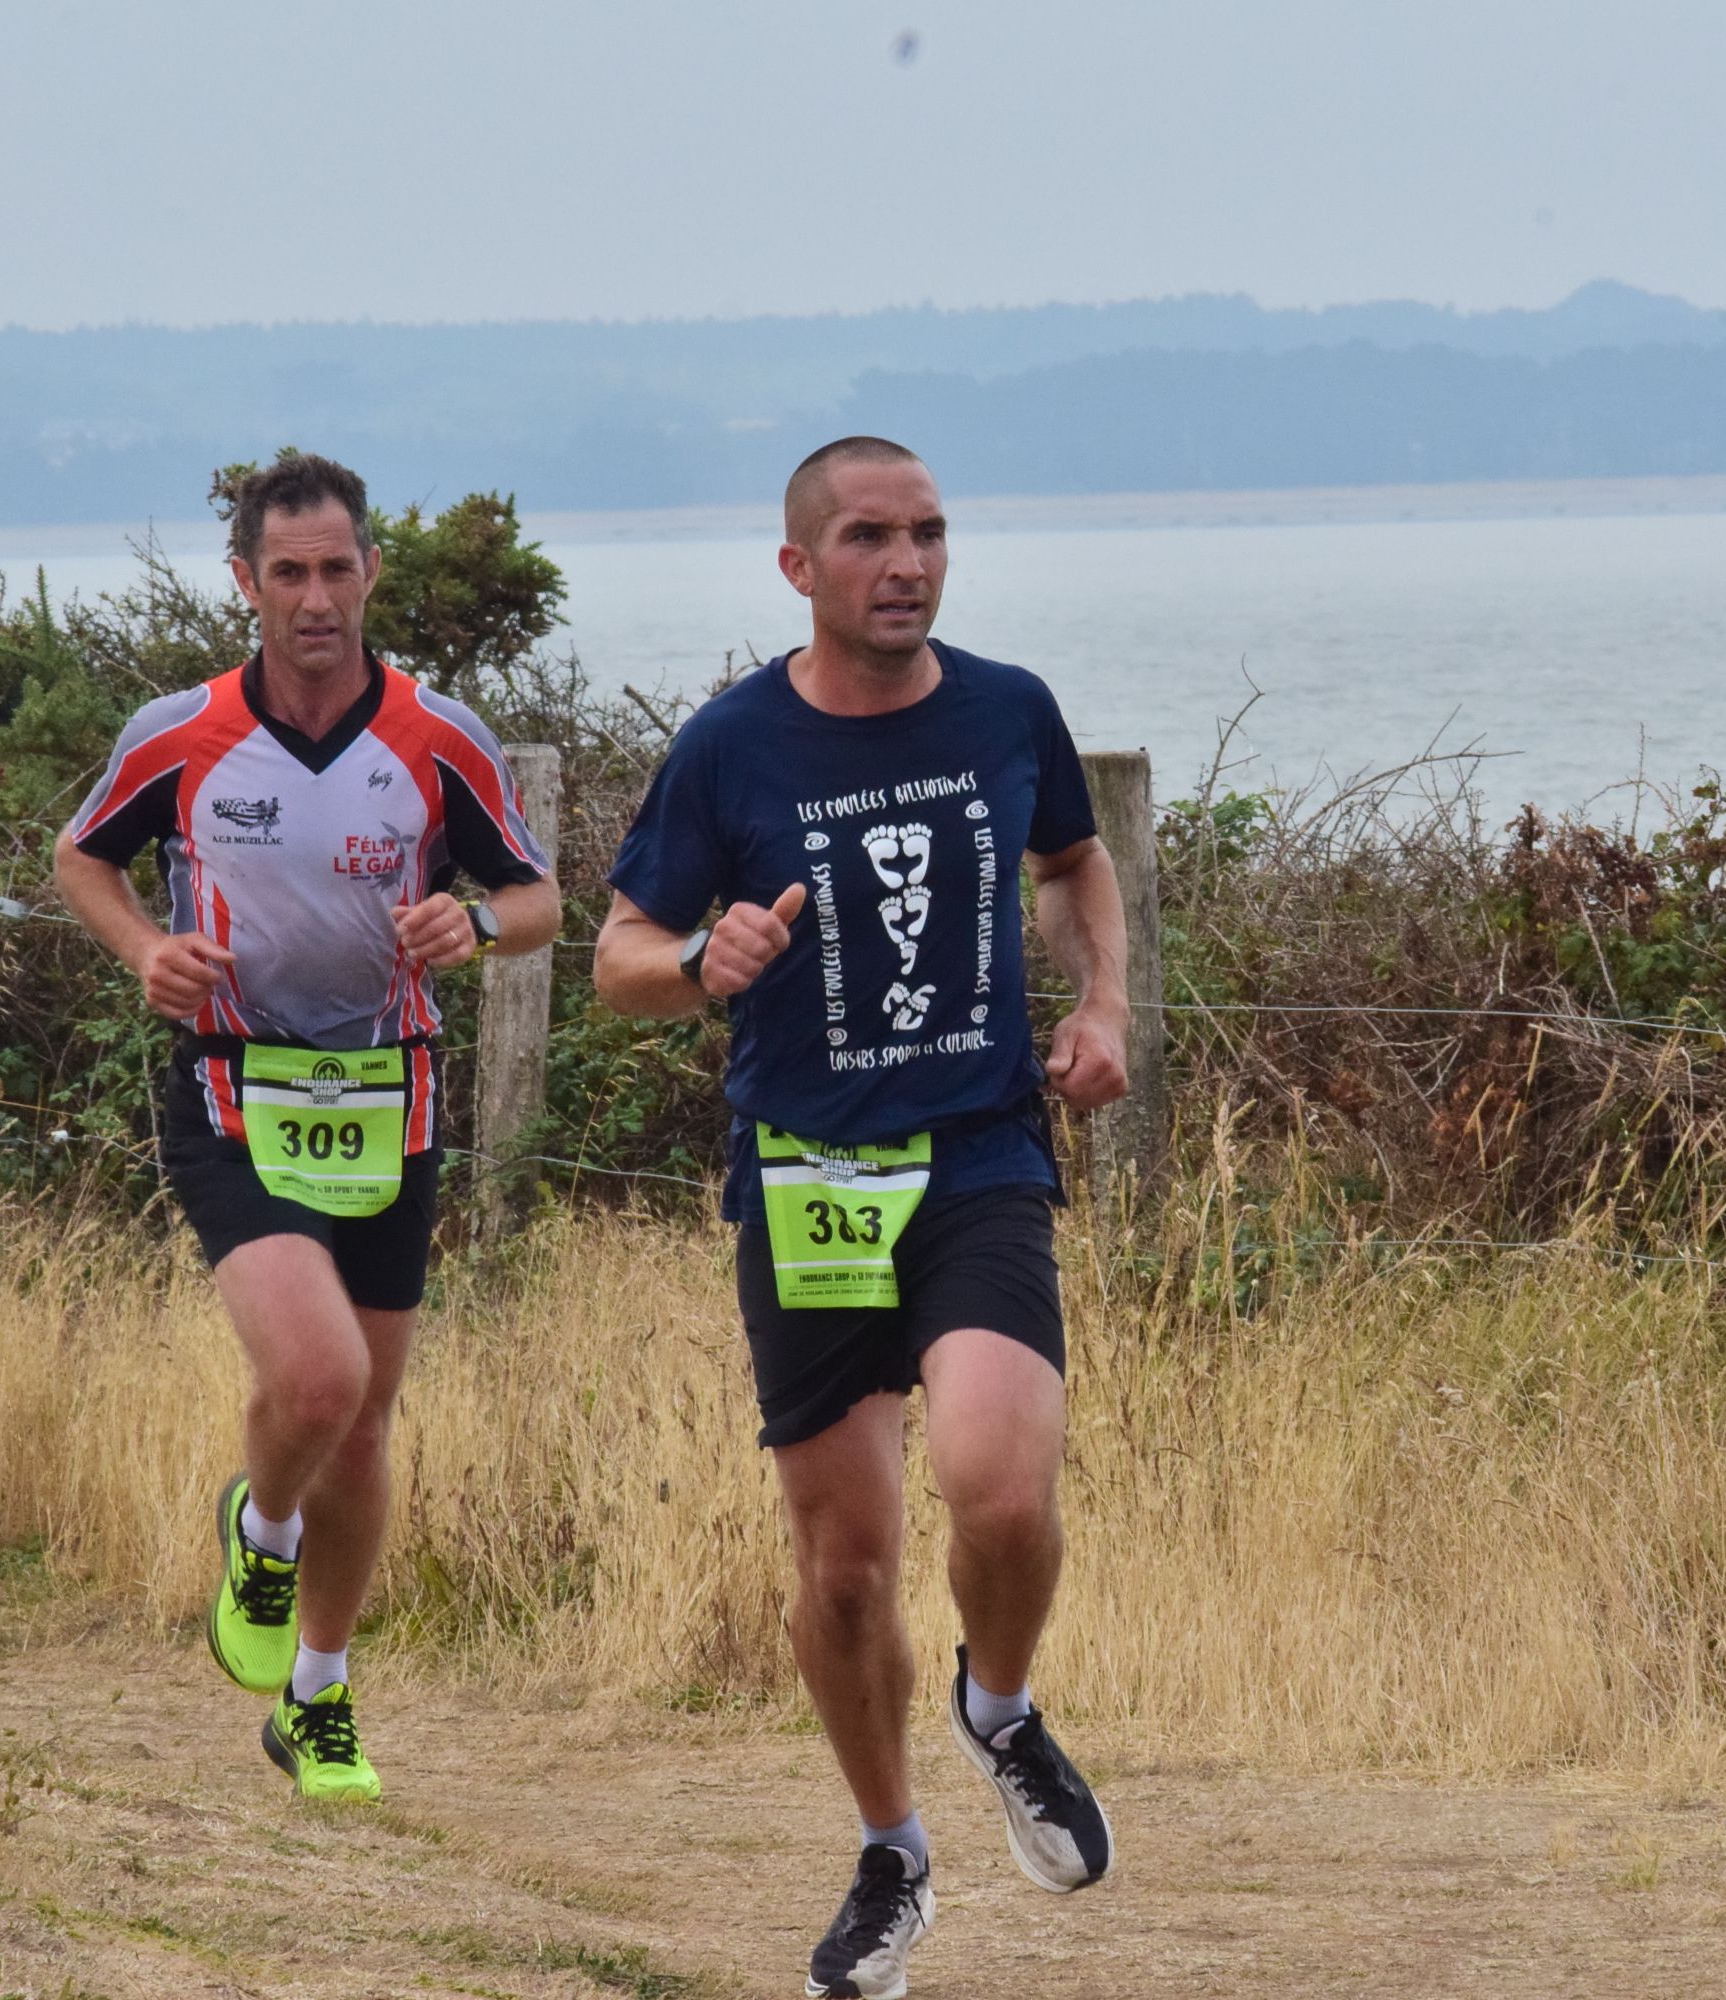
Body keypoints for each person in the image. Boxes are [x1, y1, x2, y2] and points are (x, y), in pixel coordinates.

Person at [594, 437, 1129, 1998]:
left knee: (1001, 1489)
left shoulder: (1007, 709)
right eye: (870, 538)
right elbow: (620, 954)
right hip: (808, 1180)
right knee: (844, 1570)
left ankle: (1000, 1711)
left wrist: (1104, 1003)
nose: (907, 565)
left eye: (930, 534)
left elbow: (1076, 864)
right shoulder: (731, 747)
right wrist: (698, 965)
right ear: (799, 566)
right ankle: (892, 1852)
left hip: (976, 1157)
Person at [53, 453, 561, 1802]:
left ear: (372, 572)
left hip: (391, 1097)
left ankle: (318, 1694)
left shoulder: (440, 736)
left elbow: (541, 900)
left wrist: (476, 920)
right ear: (246, 582)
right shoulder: (181, 732)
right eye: (290, 573)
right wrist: (144, 951)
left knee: (369, 1423)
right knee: (320, 1382)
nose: (317, 598)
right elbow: (81, 857)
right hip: (234, 1090)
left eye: (339, 569)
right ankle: (262, 1527)